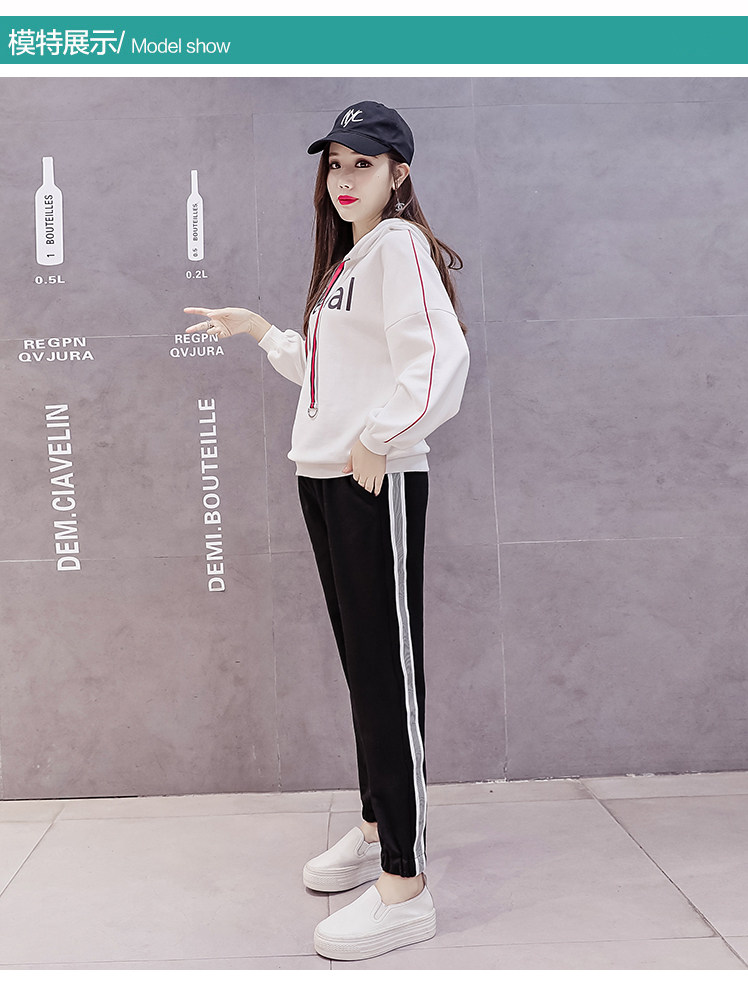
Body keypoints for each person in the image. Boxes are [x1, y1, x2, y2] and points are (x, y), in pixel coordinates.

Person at [184, 100, 470, 961]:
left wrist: (381, 436)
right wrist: (261, 330)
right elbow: (329, 371)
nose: (345, 179)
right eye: (335, 164)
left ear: (399, 173)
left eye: (363, 164)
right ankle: (378, 822)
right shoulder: (351, 259)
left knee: (388, 675)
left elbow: (440, 355)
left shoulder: (400, 246)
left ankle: (405, 884)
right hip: (324, 478)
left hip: (372, 481)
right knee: (362, 667)